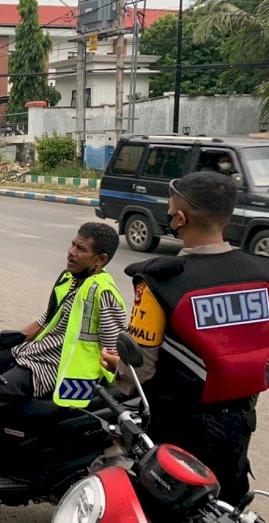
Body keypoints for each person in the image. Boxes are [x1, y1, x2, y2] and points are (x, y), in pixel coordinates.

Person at [108, 171, 269, 505]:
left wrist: (117, 369)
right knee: (227, 502)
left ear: (180, 218)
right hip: (240, 420)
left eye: (170, 211)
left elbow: (141, 370)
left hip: (178, 428)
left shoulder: (159, 280)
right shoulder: (262, 272)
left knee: (169, 505)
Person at [0, 222, 128, 483]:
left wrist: (116, 375)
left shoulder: (102, 293)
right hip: (33, 353)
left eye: (81, 248)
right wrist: (4, 343)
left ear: (101, 259)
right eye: (73, 244)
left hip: (55, 368)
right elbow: (44, 321)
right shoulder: (70, 279)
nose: (71, 252)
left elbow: (114, 347)